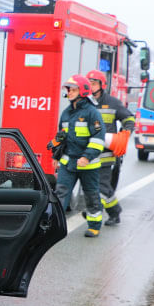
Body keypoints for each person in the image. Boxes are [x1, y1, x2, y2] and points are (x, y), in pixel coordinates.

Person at [49, 75, 106, 237]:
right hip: (68, 163)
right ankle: (55, 226)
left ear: (83, 91)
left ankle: (94, 225)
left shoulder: (92, 113)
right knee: (60, 193)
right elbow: (61, 137)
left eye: (73, 90)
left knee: (91, 194)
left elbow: (97, 139)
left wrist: (86, 157)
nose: (70, 93)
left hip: (88, 164)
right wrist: (56, 156)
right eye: (69, 90)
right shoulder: (66, 113)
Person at [86, 69, 136, 225]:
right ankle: (108, 210)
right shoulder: (84, 103)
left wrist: (125, 133)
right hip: (88, 153)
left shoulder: (113, 103)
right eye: (89, 84)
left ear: (102, 85)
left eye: (94, 84)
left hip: (106, 153)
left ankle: (101, 211)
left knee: (102, 186)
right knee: (96, 186)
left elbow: (129, 118)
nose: (91, 87)